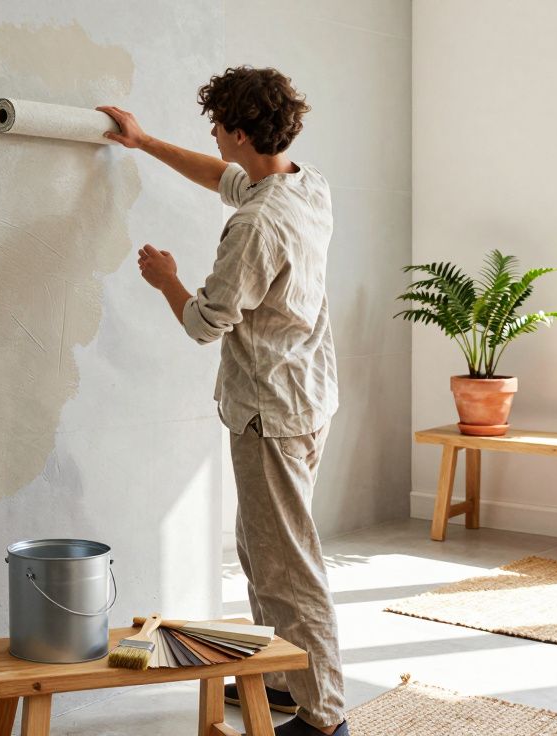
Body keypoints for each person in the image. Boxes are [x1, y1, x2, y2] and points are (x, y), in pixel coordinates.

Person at [98, 65, 348, 736]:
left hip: (270, 411)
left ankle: (324, 719)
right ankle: (285, 682)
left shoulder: (256, 227)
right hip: (303, 398)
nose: (210, 135)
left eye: (216, 126)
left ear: (239, 133)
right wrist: (143, 142)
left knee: (289, 569)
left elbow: (205, 323)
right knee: (262, 549)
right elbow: (222, 179)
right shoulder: (304, 186)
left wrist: (165, 279)